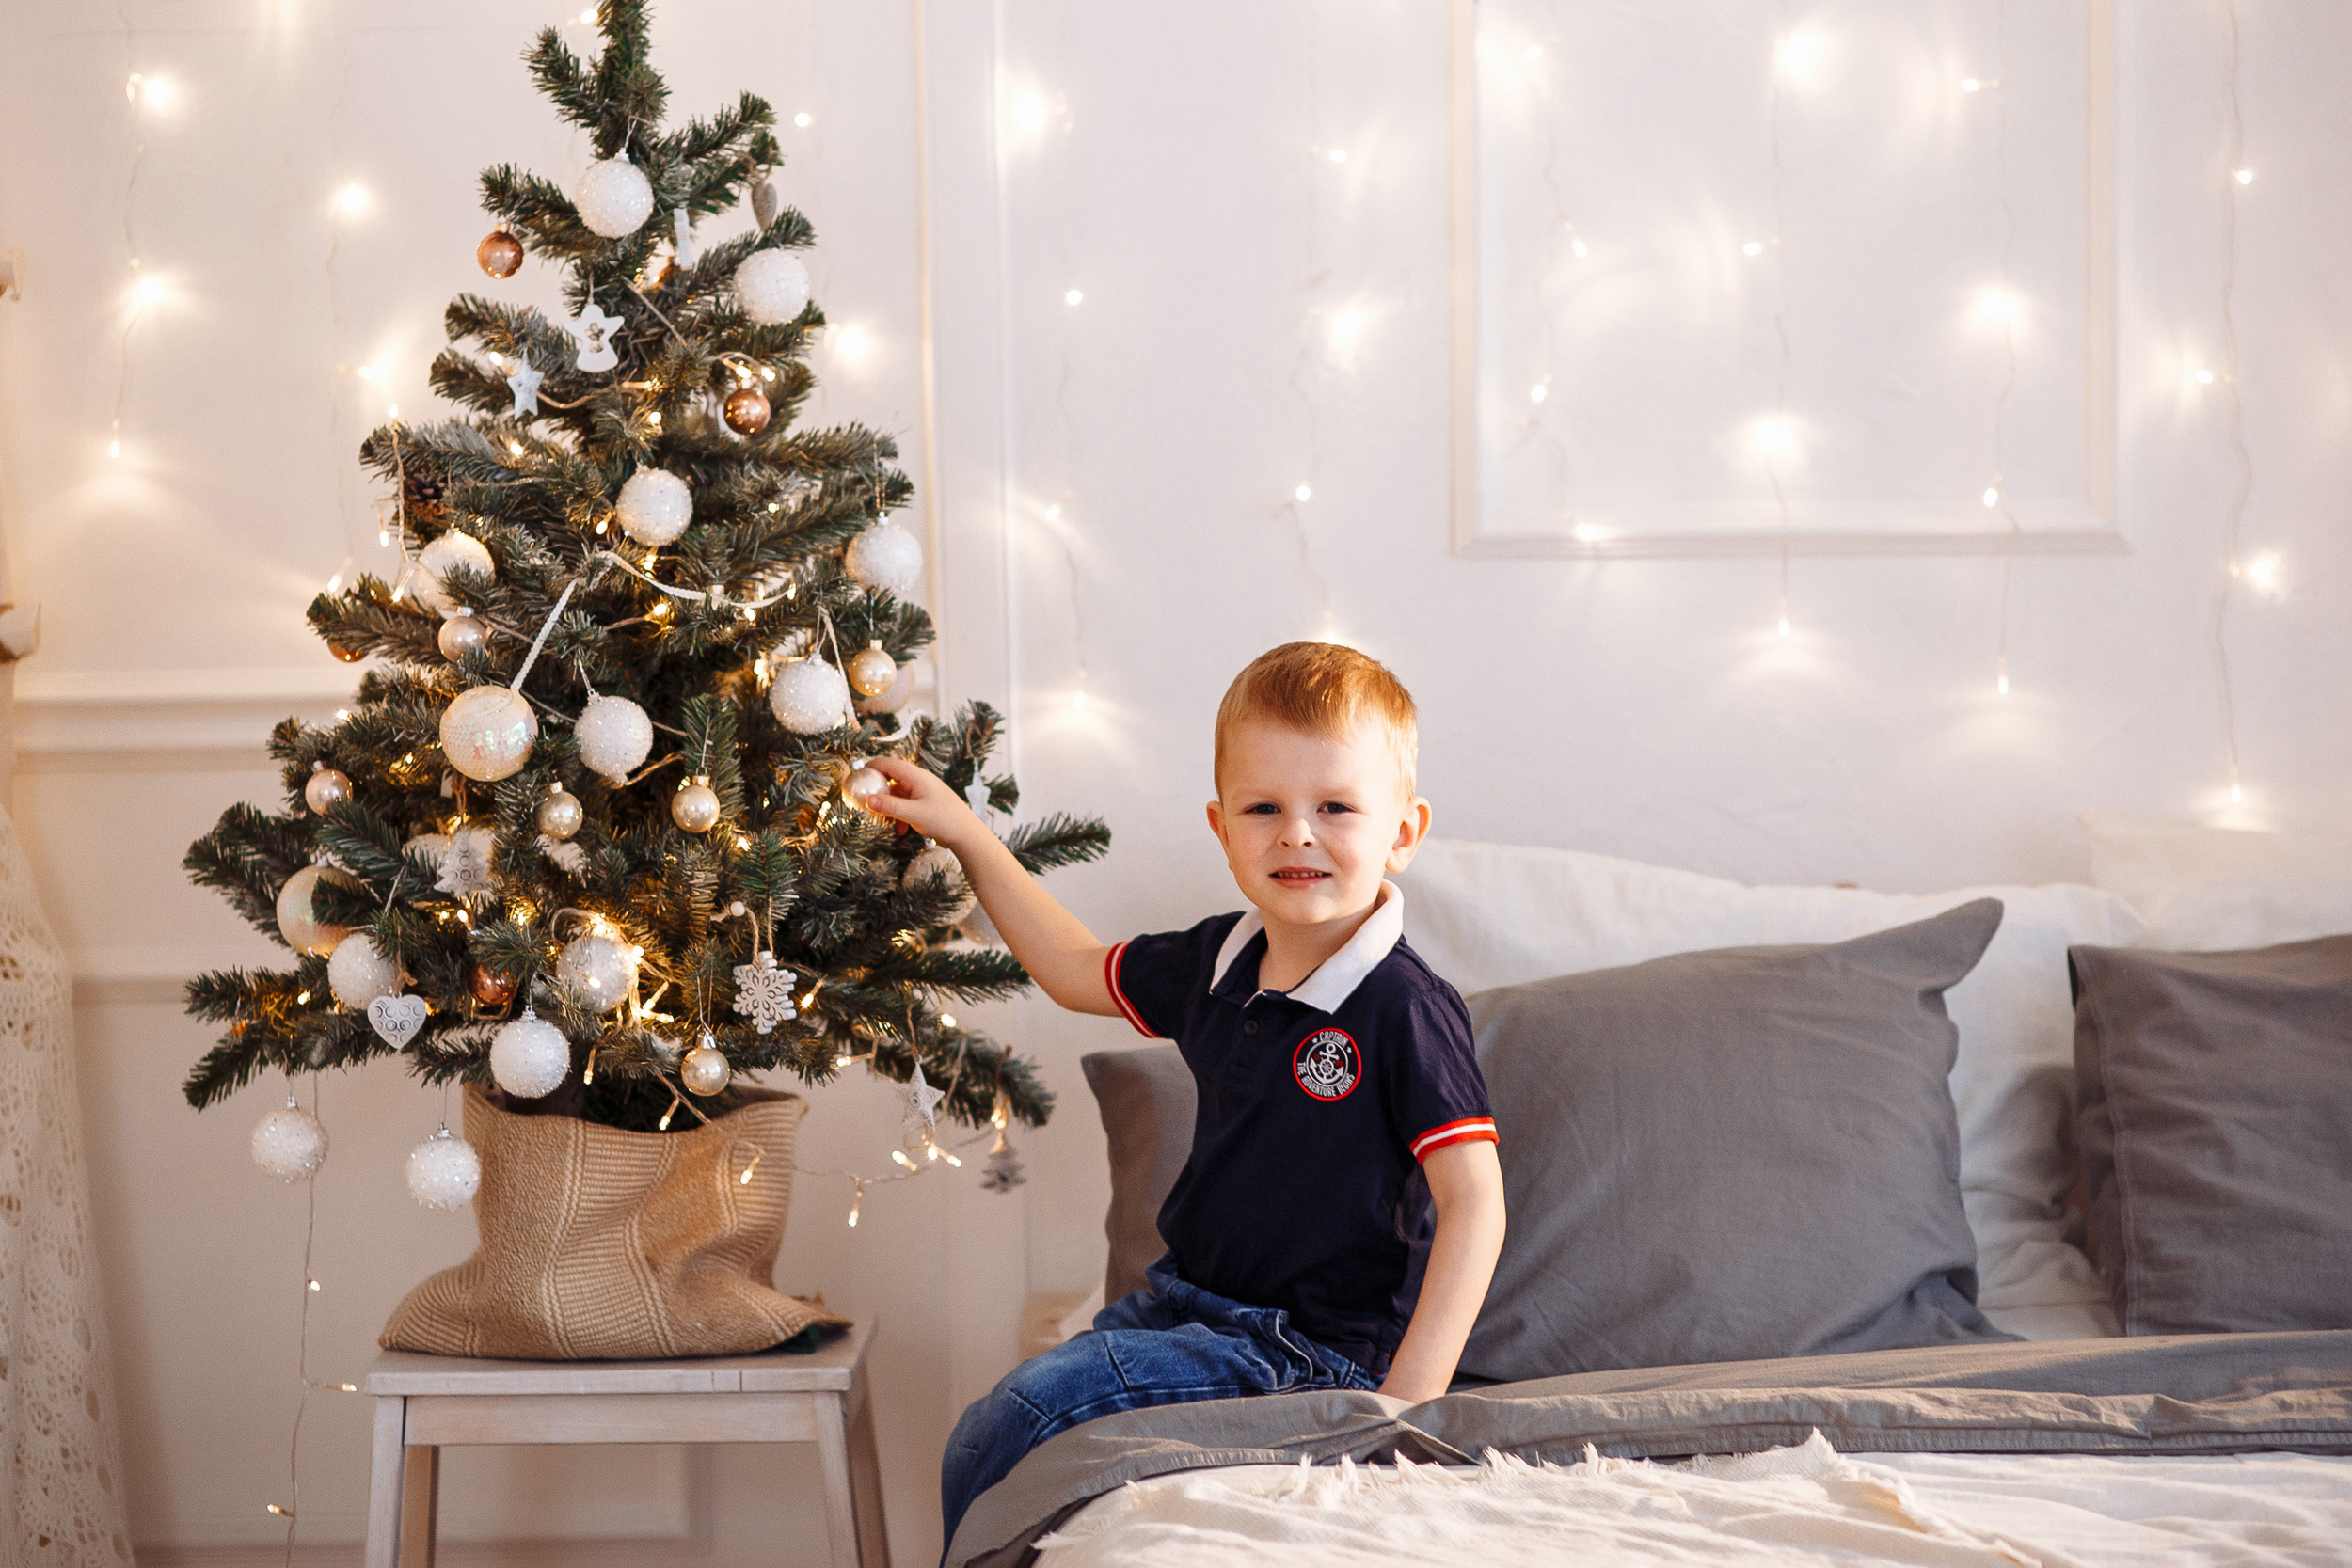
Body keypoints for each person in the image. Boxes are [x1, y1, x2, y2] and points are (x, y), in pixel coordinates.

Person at [863, 641, 1508, 1553]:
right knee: (1007, 1432)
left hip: (1305, 1347)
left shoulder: (1402, 1004)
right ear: (1220, 825)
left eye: (1334, 805)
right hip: (1183, 1308)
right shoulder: (1216, 960)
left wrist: (1401, 1410)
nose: (1296, 831)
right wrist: (967, 833)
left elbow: (1474, 1201)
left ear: (1403, 829)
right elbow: (1071, 966)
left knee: (1006, 1418)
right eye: (1263, 807)